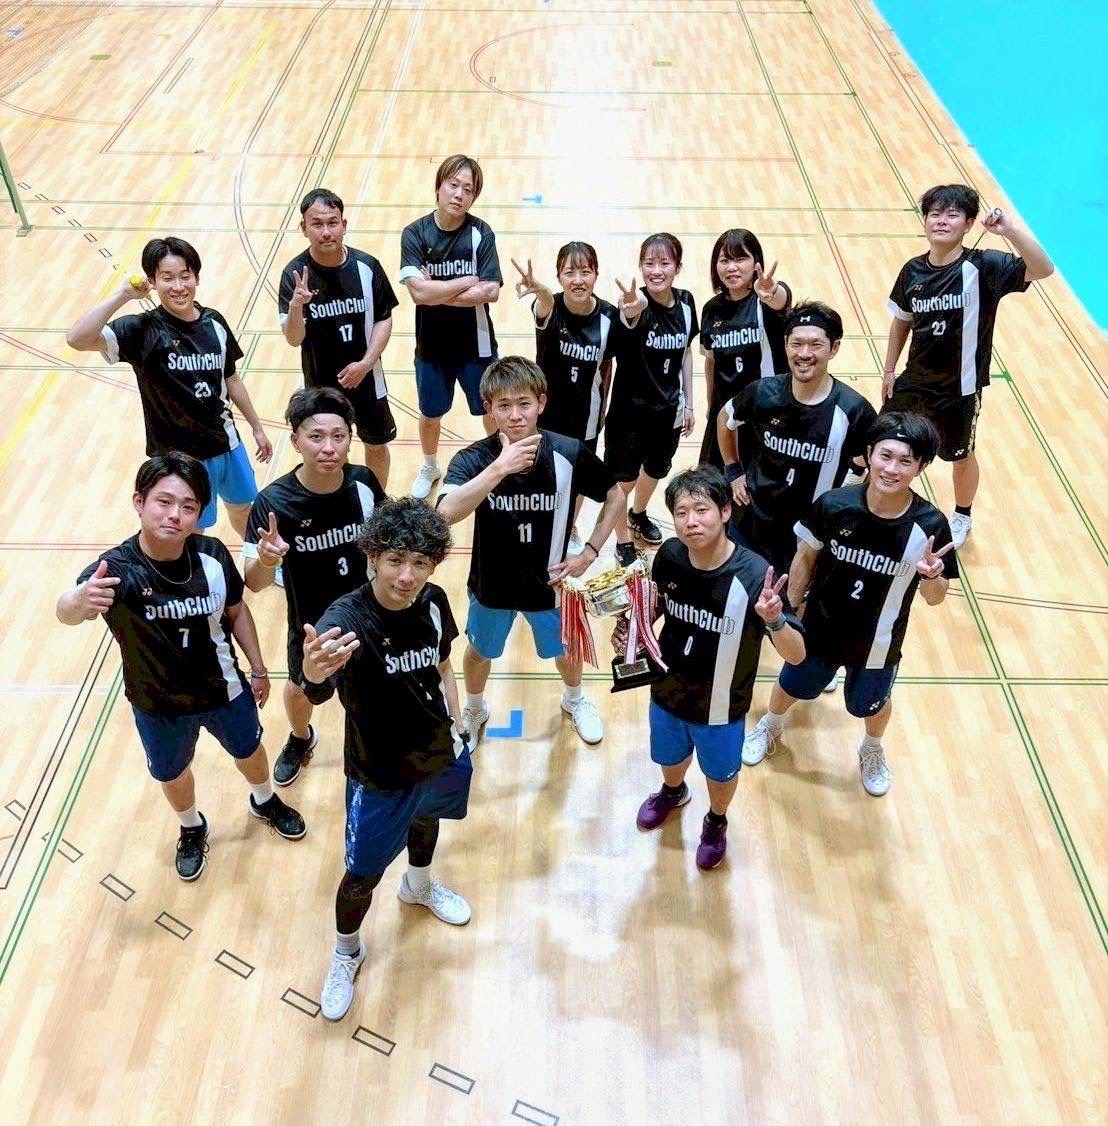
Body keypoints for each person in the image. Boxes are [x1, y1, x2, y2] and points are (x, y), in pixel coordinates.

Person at [55, 454, 305, 882]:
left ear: (199, 513)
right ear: (139, 502)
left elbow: (236, 610)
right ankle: (191, 827)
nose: (175, 515)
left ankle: (263, 799)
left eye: (188, 506)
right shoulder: (114, 570)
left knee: (249, 751)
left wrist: (259, 668)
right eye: (164, 502)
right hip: (157, 703)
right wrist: (77, 602)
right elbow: (67, 611)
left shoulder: (212, 555)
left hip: (224, 689)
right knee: (172, 773)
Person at [300, 499, 472, 1022]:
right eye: (395, 559)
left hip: (438, 751)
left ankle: (418, 885)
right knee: (361, 876)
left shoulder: (434, 601)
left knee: (427, 820)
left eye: (420, 563)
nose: (406, 575)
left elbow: (443, 666)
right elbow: (314, 688)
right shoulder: (345, 621)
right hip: (377, 773)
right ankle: (346, 951)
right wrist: (313, 670)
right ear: (372, 556)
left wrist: (458, 724)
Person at [741, 413, 958, 797]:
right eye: (885, 456)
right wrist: (789, 612)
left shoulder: (930, 525)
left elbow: (935, 598)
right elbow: (805, 558)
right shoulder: (834, 505)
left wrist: (931, 576)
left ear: (921, 467)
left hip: (878, 644)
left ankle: (871, 747)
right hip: (820, 630)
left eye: (905, 461)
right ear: (869, 453)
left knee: (870, 705)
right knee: (791, 684)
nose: (892, 469)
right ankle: (771, 724)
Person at [436, 356, 625, 748]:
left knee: (567, 649)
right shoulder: (474, 459)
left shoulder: (569, 453)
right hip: (492, 585)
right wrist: (499, 469)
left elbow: (615, 495)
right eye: (503, 405)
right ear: (488, 408)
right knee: (479, 652)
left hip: (550, 586)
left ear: (541, 402)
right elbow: (444, 513)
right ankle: (475, 707)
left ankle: (574, 699)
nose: (515, 415)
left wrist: (589, 552)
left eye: (524, 403)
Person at [632, 467, 804, 869]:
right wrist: (635, 625)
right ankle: (673, 793)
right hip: (667, 690)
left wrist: (775, 620)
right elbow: (658, 608)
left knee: (720, 774)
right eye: (681, 512)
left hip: (721, 706)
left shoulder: (755, 575)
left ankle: (716, 820)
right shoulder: (669, 556)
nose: (690, 521)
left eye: (701, 509)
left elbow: (796, 656)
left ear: (725, 511)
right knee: (669, 758)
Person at [882, 184, 1054, 548]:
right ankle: (869, 495)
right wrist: (889, 369)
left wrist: (1010, 230)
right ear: (925, 221)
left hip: (959, 388)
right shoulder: (912, 270)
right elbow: (902, 321)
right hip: (914, 381)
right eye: (935, 214)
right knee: (882, 439)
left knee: (960, 457)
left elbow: (1043, 269)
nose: (941, 221)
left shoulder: (985, 266)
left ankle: (962, 514)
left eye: (952, 215)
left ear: (969, 223)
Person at [65, 237, 272, 537]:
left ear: (196, 277)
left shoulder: (214, 322)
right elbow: (77, 338)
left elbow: (231, 379)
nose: (178, 287)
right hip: (180, 459)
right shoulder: (141, 330)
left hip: (226, 442)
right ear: (152, 281)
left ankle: (260, 555)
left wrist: (256, 427)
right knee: (192, 529)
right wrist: (123, 295)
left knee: (243, 508)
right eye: (167, 278)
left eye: (185, 276)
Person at [242, 387, 384, 786]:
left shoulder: (363, 483)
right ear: (295, 441)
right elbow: (253, 583)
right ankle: (301, 737)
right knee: (301, 690)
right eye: (316, 437)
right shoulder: (272, 502)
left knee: (374, 688)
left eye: (338, 436)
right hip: (309, 623)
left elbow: (386, 544)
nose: (328, 448)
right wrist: (267, 560)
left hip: (367, 615)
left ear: (350, 439)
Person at [717, 301, 877, 576]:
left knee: (789, 603)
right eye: (797, 344)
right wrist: (733, 470)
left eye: (816, 345)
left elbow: (877, 467)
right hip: (751, 525)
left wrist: (851, 510)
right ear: (785, 345)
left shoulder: (854, 410)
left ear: (834, 348)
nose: (804, 354)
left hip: (808, 539)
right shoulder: (762, 392)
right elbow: (725, 418)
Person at [279, 189, 400, 488]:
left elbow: (384, 318)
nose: (326, 232)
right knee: (331, 453)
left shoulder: (367, 267)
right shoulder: (294, 274)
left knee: (376, 445)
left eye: (332, 223)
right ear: (304, 228)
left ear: (343, 224)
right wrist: (296, 305)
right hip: (321, 387)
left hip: (367, 379)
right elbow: (293, 338)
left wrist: (366, 364)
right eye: (317, 224)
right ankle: (340, 501)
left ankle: (377, 503)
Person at [398, 154, 503, 499]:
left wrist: (437, 291)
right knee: (430, 415)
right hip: (431, 348)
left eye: (468, 189)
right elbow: (418, 293)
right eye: (453, 185)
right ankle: (430, 466)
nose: (459, 194)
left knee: (491, 410)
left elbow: (490, 291)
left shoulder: (480, 233)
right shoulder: (415, 233)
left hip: (477, 346)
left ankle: (498, 461)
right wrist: (467, 280)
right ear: (439, 186)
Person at [511, 240, 619, 551]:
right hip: (546, 413)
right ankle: (536, 518)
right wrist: (541, 291)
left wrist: (604, 410)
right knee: (539, 469)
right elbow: (544, 304)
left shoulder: (608, 317)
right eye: (569, 272)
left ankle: (569, 524)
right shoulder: (549, 306)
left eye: (586, 272)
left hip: (587, 415)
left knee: (578, 476)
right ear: (559, 276)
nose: (578, 280)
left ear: (596, 274)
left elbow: (608, 367)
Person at [605, 232, 699, 566]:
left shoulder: (686, 303)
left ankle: (638, 514)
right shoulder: (633, 304)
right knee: (622, 482)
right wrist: (633, 310)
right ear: (640, 266)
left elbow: (686, 352)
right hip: (628, 416)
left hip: (668, 413)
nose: (656, 271)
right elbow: (630, 317)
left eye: (664, 263)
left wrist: (690, 403)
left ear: (677, 267)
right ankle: (622, 539)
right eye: (649, 263)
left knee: (656, 470)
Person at [699, 228, 791, 469]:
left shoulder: (765, 301)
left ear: (756, 262)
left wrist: (771, 291)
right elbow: (711, 362)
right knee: (711, 483)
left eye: (741, 259)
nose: (732, 267)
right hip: (725, 413)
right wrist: (710, 406)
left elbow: (780, 299)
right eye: (725, 260)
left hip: (764, 411)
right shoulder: (711, 309)